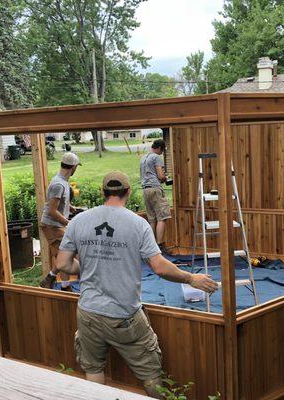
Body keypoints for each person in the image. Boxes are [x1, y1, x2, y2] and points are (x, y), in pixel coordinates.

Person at [55, 171, 218, 398]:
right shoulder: (137, 224)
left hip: (88, 312)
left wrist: (90, 266)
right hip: (124, 315)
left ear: (103, 193)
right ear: (129, 192)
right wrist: (192, 278)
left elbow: (63, 264)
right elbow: (159, 267)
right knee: (151, 374)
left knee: (93, 369)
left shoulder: (79, 221)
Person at [39, 152, 82, 291]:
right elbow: (52, 210)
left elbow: (57, 202)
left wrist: (70, 207)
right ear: (73, 167)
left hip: (56, 225)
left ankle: (64, 286)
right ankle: (50, 279)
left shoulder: (62, 180)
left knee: (62, 255)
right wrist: (69, 223)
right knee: (66, 256)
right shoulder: (58, 184)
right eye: (76, 167)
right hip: (51, 226)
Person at [140, 139, 171, 252]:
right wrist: (165, 178)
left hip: (145, 190)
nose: (161, 153)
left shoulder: (143, 158)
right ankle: (160, 245)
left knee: (152, 219)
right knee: (162, 217)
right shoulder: (156, 157)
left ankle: (152, 247)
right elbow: (160, 175)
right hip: (155, 188)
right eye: (162, 151)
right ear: (159, 148)